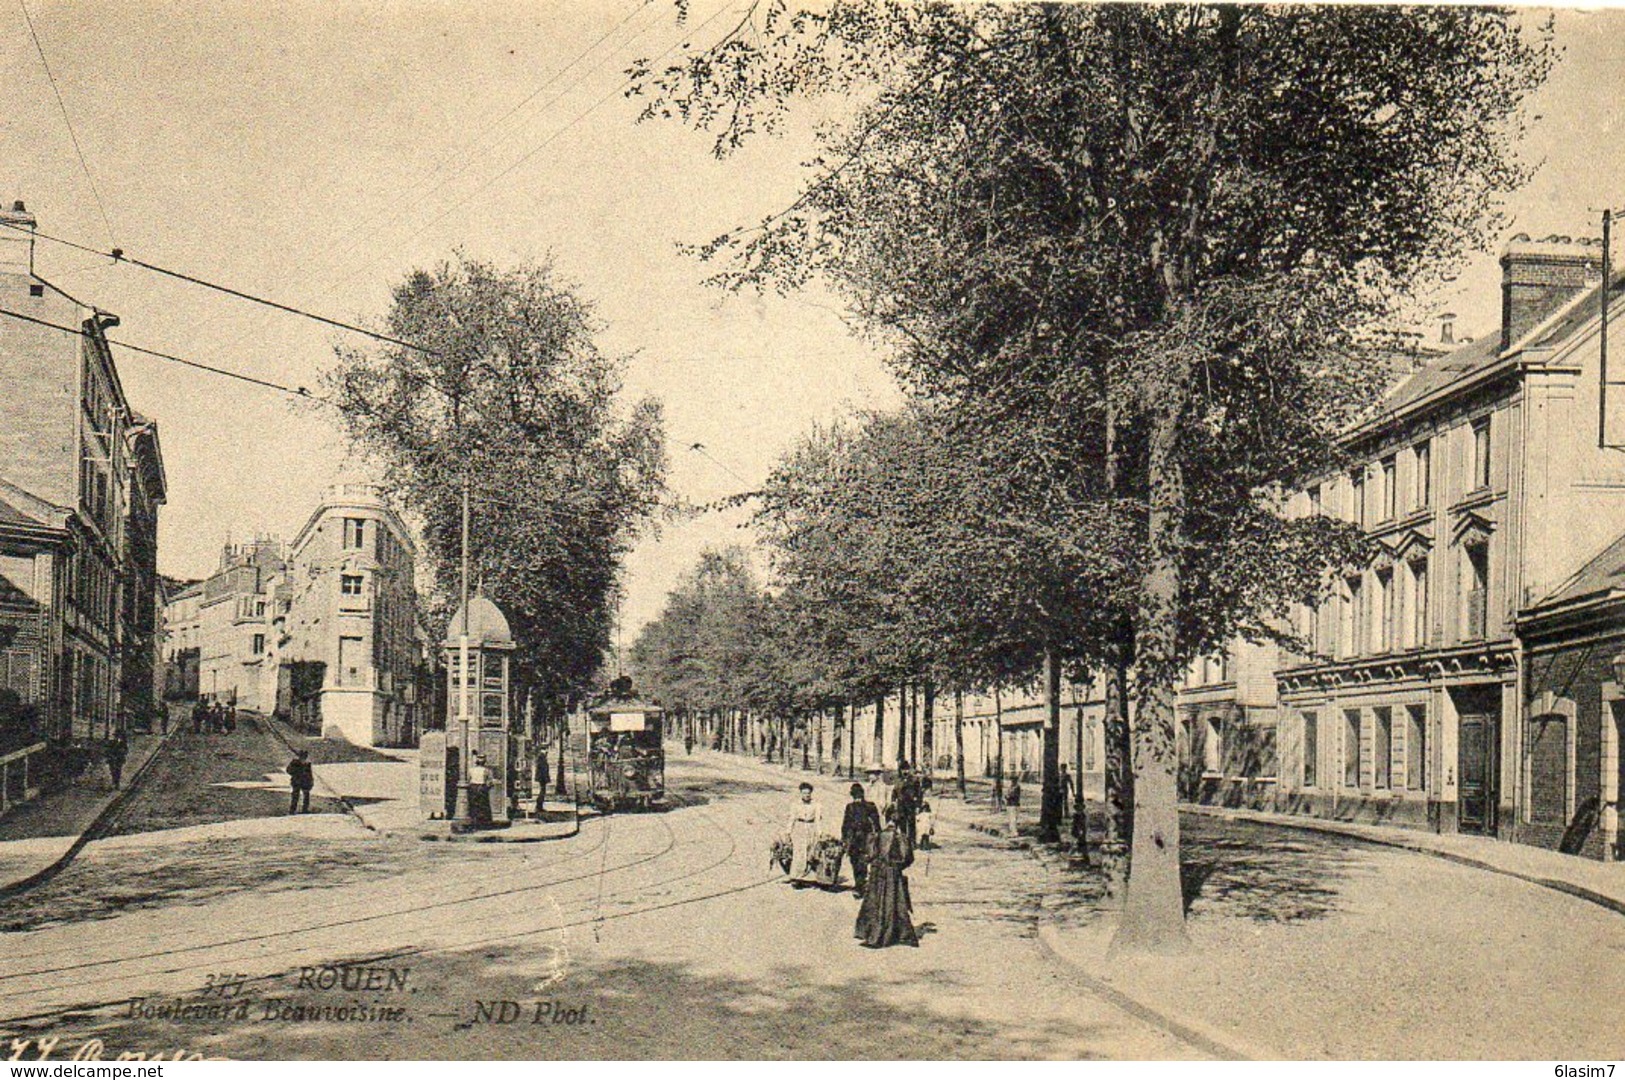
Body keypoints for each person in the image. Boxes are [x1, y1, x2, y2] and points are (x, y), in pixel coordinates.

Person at [855, 803, 919, 948]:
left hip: (877, 872)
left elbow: (869, 855)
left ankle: (875, 933)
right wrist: (897, 866)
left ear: (887, 818)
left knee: (876, 901)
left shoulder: (878, 835)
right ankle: (895, 933)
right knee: (895, 902)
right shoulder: (901, 838)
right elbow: (907, 859)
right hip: (893, 873)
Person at [840, 782, 882, 898]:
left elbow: (876, 823)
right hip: (854, 839)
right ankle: (860, 885)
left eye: (859, 796)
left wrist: (878, 836)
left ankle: (861, 886)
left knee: (862, 862)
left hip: (865, 838)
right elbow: (845, 824)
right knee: (855, 862)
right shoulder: (850, 807)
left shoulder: (870, 806)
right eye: (855, 796)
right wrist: (844, 838)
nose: (857, 798)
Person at [783, 781, 824, 885]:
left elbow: (818, 820)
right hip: (799, 828)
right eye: (804, 793)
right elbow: (791, 818)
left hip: (810, 828)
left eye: (808, 793)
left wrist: (820, 833)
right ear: (800, 793)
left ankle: (807, 876)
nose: (806, 795)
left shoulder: (816, 805)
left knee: (810, 851)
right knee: (799, 852)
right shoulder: (795, 804)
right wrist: (788, 832)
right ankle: (796, 876)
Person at [467, 752, 492, 825]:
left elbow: (468, 779)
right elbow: (489, 781)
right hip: (482, 787)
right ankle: (483, 821)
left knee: (473, 805)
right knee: (483, 805)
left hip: (473, 787)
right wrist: (488, 787)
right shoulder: (487, 770)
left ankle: (473, 820)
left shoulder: (471, 770)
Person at [287, 749, 314, 814]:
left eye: (305, 757)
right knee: (295, 796)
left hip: (305, 782)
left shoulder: (307, 764)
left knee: (306, 796)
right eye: (302, 757)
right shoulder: (294, 763)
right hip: (296, 782)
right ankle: (292, 810)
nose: (303, 759)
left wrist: (311, 781)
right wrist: (296, 773)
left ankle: (305, 809)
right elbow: (288, 770)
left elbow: (310, 774)